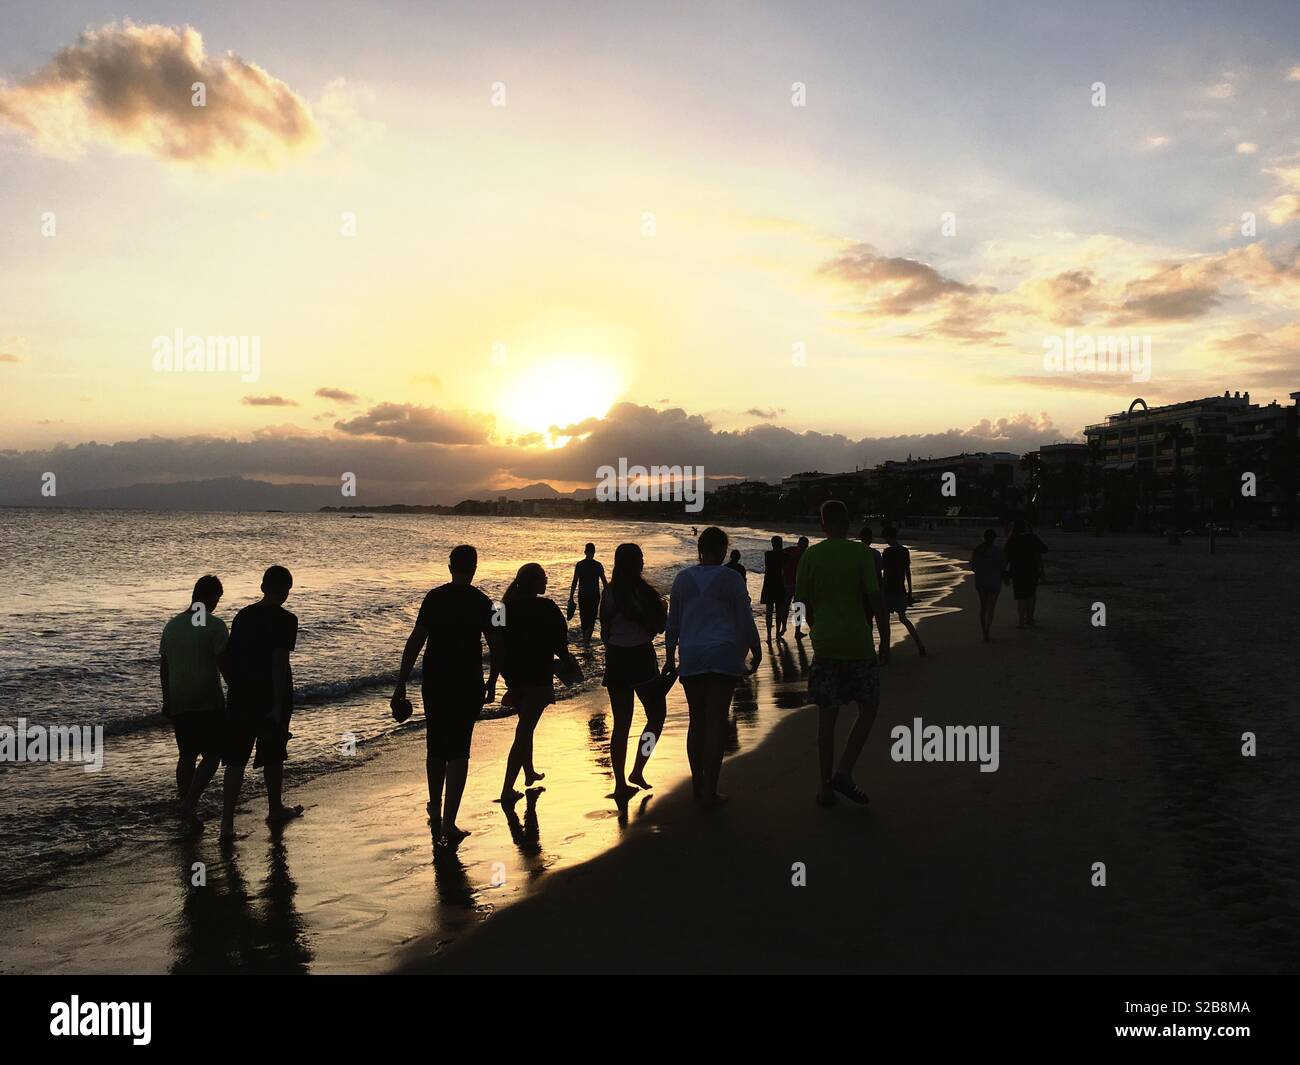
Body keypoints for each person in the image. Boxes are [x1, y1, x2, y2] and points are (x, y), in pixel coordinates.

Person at [391, 544, 500, 847]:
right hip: (468, 684)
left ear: (450, 567)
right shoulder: (483, 602)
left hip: (435, 682)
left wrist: (401, 683)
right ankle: (449, 822)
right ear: (474, 568)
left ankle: (435, 808)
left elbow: (415, 642)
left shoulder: (434, 598)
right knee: (459, 750)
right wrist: (493, 681)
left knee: (436, 746)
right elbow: (497, 646)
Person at [798, 501, 891, 807]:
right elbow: (875, 598)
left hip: (825, 645)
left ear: (822, 524)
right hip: (858, 643)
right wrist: (884, 638)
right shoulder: (861, 553)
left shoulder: (810, 555)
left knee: (827, 719)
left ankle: (826, 788)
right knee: (869, 707)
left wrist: (814, 629)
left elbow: (802, 604)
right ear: (848, 523)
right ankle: (845, 771)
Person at [664, 527, 761, 809]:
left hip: (692, 655)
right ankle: (710, 790)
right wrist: (756, 650)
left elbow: (673, 623)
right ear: (723, 550)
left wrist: (670, 658)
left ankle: (697, 782)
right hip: (723, 654)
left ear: (699, 549)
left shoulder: (682, 579)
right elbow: (745, 618)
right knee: (716, 721)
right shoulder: (730, 578)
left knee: (697, 721)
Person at [220, 565, 302, 842]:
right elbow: (279, 662)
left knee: (235, 759)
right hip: (269, 696)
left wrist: (235, 686)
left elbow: (226, 657)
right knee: (273, 753)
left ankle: (227, 823)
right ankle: (275, 808)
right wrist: (278, 704)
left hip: (241, 695)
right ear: (286, 590)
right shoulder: (286, 620)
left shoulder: (243, 616)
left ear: (262, 587)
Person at [500, 563, 577, 803]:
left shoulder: (501, 608)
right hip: (537, 675)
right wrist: (567, 663)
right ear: (534, 582)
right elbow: (559, 643)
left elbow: (495, 645)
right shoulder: (547, 607)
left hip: (513, 676)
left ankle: (529, 772)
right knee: (524, 731)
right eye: (543, 578)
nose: (546, 581)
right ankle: (506, 789)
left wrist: (496, 678)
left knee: (526, 724)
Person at [160, 575, 230, 834]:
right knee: (213, 755)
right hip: (208, 700)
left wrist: (167, 699)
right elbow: (224, 665)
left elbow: (164, 667)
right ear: (212, 597)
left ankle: (186, 810)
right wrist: (239, 688)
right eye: (217, 599)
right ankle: (189, 803)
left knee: (187, 755)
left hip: (180, 700)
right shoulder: (215, 626)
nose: (217, 604)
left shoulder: (172, 626)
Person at [599, 543, 669, 799]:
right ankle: (638, 769)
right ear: (634, 562)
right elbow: (660, 628)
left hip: (616, 658)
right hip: (640, 657)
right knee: (656, 717)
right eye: (640, 558)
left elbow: (605, 632)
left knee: (621, 725)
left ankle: (620, 784)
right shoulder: (645, 592)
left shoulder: (609, 592)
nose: (643, 561)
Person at [881, 526, 927, 656]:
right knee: (903, 618)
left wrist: (881, 591)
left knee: (886, 622)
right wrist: (910, 592)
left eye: (885, 538)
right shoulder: (904, 551)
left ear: (889, 537)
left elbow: (885, 573)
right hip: (901, 589)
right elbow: (908, 572)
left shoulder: (887, 552)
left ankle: (886, 651)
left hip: (889, 589)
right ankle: (920, 644)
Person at [1004, 519, 1048, 629]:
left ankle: (1021, 622)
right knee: (1031, 595)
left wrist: (1006, 575)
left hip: (1017, 571)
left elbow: (1006, 558)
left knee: (1020, 596)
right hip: (1031, 570)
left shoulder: (1012, 540)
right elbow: (1044, 549)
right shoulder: (1032, 538)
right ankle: (1029, 618)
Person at [568, 543, 608, 643]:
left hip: (583, 596)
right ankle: (586, 640)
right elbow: (605, 583)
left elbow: (574, 581)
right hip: (594, 596)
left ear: (585, 552)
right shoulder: (598, 565)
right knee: (591, 618)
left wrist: (571, 597)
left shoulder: (580, 565)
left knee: (584, 618)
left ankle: (586, 641)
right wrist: (608, 596)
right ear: (594, 552)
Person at [971, 529, 1005, 642]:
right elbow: (1002, 567)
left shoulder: (977, 550)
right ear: (994, 539)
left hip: (981, 581)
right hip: (994, 581)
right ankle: (987, 629)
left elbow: (973, 567)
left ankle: (984, 631)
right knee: (991, 608)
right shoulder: (998, 551)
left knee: (983, 606)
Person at [858, 526, 886, 645]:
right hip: (875, 589)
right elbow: (879, 572)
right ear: (871, 539)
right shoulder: (875, 554)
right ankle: (882, 646)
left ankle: (867, 643)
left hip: (861, 591)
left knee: (865, 620)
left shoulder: (856, 553)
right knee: (878, 619)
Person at [759, 535, 788, 639]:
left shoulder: (767, 554)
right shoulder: (784, 555)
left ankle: (768, 634)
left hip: (768, 583)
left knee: (769, 610)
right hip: (779, 583)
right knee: (779, 610)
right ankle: (777, 633)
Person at [782, 536, 810, 638]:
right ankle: (790, 630)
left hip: (793, 583)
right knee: (795, 607)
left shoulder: (791, 551)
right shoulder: (800, 553)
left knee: (792, 606)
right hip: (793, 583)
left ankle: (789, 629)